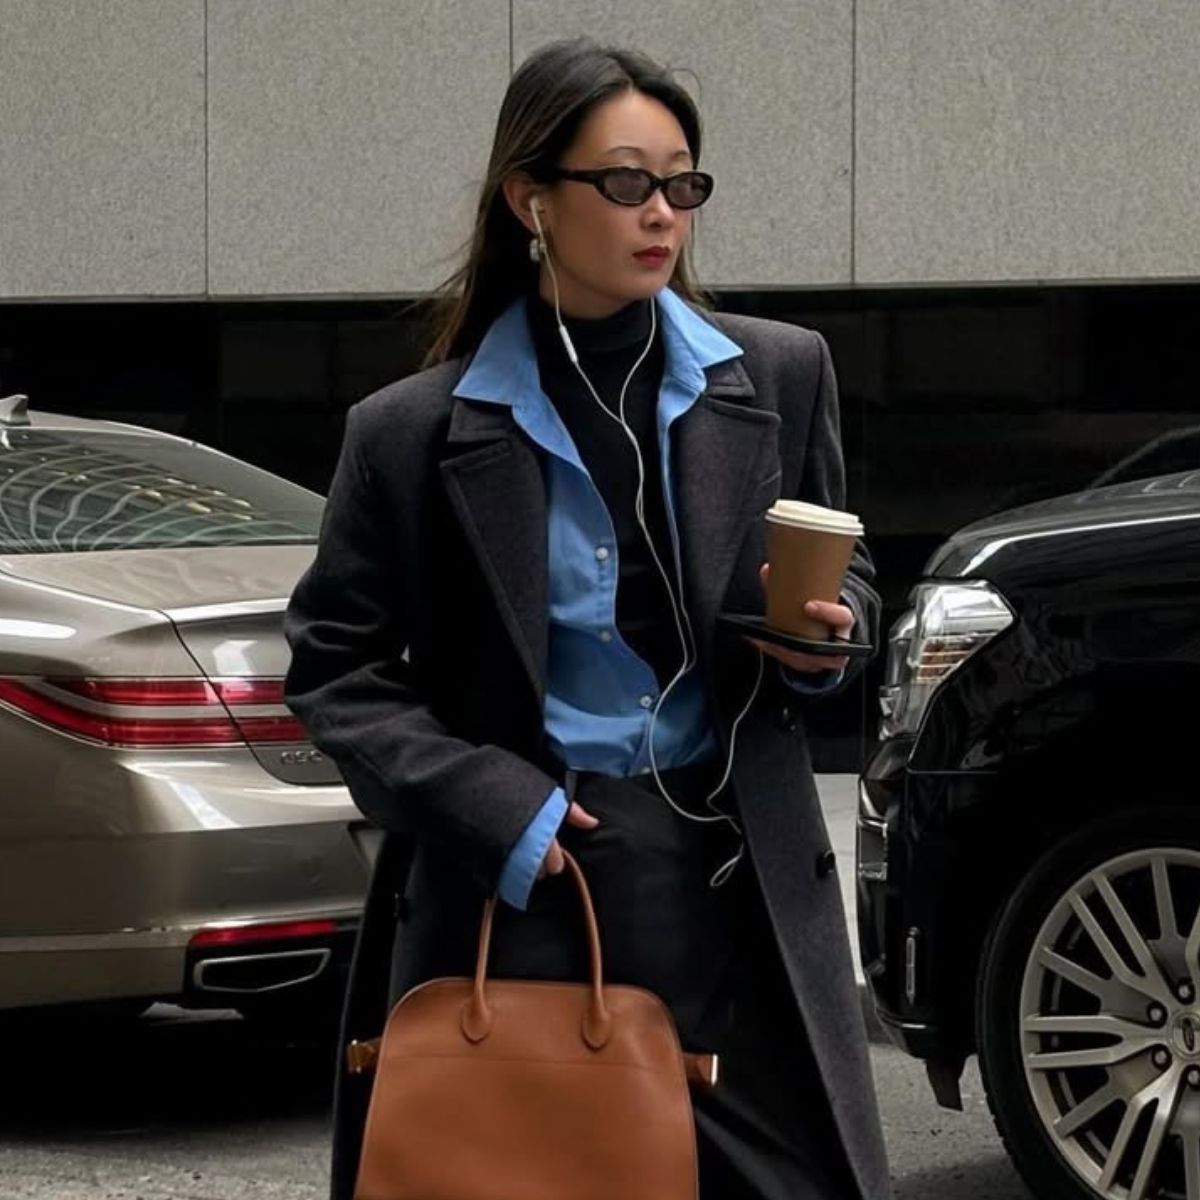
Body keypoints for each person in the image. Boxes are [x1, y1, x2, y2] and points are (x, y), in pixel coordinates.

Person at [284, 37, 891, 1200]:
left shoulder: (778, 376)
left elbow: (852, 581)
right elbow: (335, 674)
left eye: (682, 184)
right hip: (531, 889)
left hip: (741, 889)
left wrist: (826, 636)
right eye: (625, 183)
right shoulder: (411, 432)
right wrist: (491, 806)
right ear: (531, 200)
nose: (662, 213)